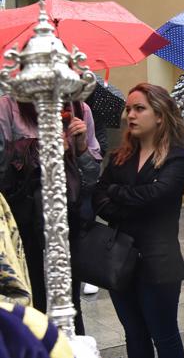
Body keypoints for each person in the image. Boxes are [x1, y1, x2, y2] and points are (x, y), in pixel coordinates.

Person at [92, 83, 184, 358]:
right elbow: (98, 196)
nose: (130, 115)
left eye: (139, 108)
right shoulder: (121, 156)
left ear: (159, 114)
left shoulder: (178, 157)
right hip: (120, 260)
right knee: (134, 335)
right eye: (128, 108)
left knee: (164, 335)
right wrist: (123, 201)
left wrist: (115, 193)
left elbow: (156, 196)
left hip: (158, 262)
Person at [0, 95, 101, 335]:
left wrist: (81, 147)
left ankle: (72, 344)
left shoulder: (79, 109)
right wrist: (38, 147)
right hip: (24, 215)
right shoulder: (9, 106)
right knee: (33, 294)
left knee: (69, 296)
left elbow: (92, 174)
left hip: (67, 213)